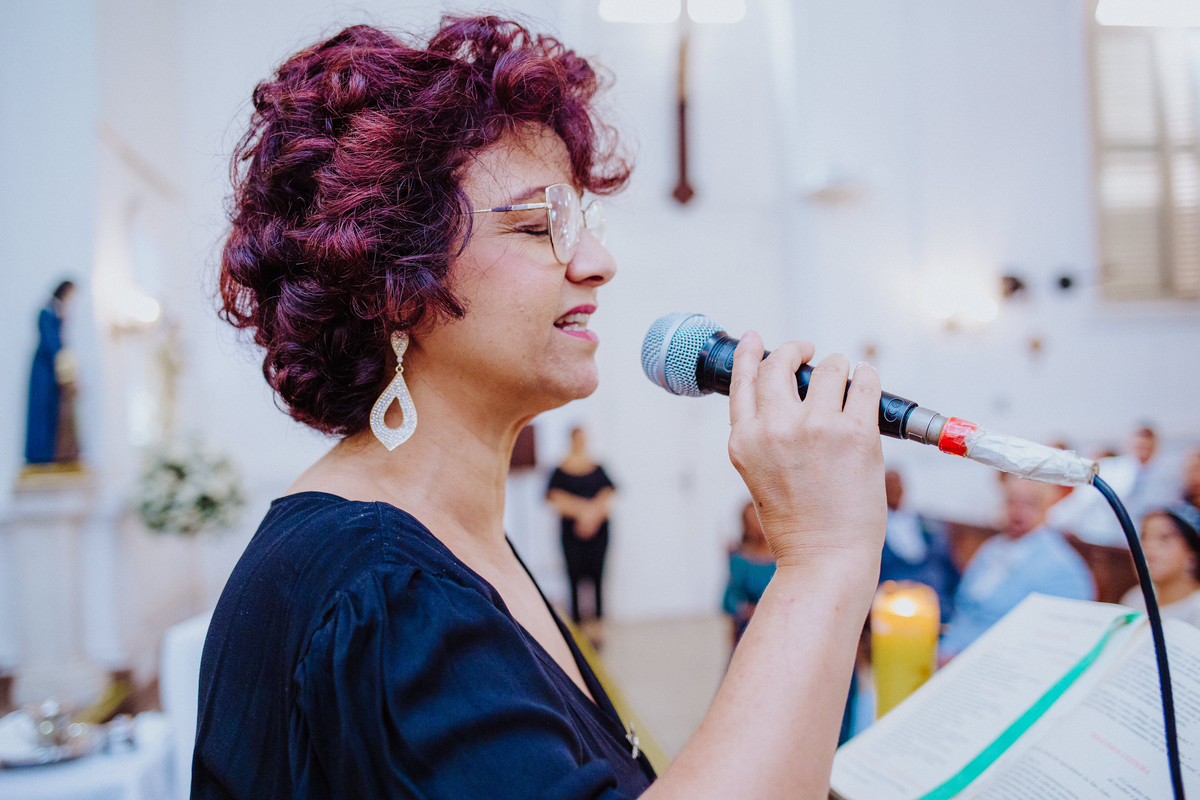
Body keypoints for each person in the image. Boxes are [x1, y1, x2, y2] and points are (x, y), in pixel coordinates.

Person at [195, 17, 887, 800]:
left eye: (583, 222)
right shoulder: (381, 590)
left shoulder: (451, 536)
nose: (597, 263)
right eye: (538, 225)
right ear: (391, 281)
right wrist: (823, 557)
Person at [940, 478, 1094, 660]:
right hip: (951, 648)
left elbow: (1057, 642)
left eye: (1030, 504)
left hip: (996, 662)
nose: (1017, 511)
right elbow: (965, 606)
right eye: (1011, 501)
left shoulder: (1062, 567)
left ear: (1047, 506)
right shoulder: (994, 547)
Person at [547, 427, 615, 629]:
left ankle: (598, 625)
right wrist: (582, 512)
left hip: (598, 534)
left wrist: (591, 516)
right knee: (573, 577)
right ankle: (578, 626)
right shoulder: (560, 470)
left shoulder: (597, 467)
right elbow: (554, 497)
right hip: (571, 533)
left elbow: (608, 493)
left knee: (599, 577)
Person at [879, 469, 959, 622]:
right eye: (888, 486)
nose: (894, 490)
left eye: (897, 485)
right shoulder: (874, 528)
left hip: (936, 597)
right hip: (895, 597)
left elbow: (949, 565)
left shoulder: (928, 524)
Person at [1120, 505, 1200, 629]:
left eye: (1164, 538)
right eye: (1143, 537)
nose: (1148, 548)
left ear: (1192, 556)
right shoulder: (1135, 598)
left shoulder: (1196, 611)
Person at [25, 280, 76, 465]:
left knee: (54, 411)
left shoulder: (58, 310)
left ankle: (52, 452)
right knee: (42, 410)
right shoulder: (47, 311)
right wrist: (62, 360)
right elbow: (50, 341)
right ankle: (40, 454)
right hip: (45, 369)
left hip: (54, 367)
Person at [722, 501, 775, 646]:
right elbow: (729, 600)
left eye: (759, 518)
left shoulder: (786, 557)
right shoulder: (740, 559)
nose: (756, 524)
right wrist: (747, 610)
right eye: (750, 520)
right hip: (753, 630)